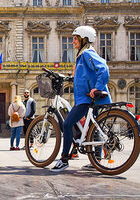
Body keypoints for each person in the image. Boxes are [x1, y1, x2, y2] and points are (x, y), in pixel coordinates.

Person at [51, 26, 111, 172]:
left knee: (67, 124)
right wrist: (71, 78)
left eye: (75, 38)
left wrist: (97, 87)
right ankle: (96, 161)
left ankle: (64, 159)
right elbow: (84, 76)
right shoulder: (82, 56)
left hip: (87, 99)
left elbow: (103, 68)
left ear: (84, 39)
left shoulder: (87, 54)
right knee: (93, 128)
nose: (73, 41)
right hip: (90, 99)